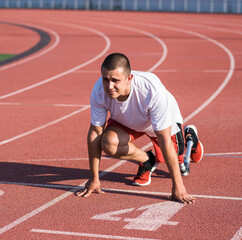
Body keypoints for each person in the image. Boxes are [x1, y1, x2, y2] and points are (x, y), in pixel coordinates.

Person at [76, 53, 203, 204]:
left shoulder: (151, 92)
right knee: (108, 143)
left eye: (115, 81)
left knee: (180, 161)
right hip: (126, 122)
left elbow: (164, 139)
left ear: (129, 79)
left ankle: (191, 139)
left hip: (157, 123)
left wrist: (178, 187)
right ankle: (147, 161)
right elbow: (95, 132)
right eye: (105, 79)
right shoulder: (99, 90)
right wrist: (94, 178)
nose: (109, 86)